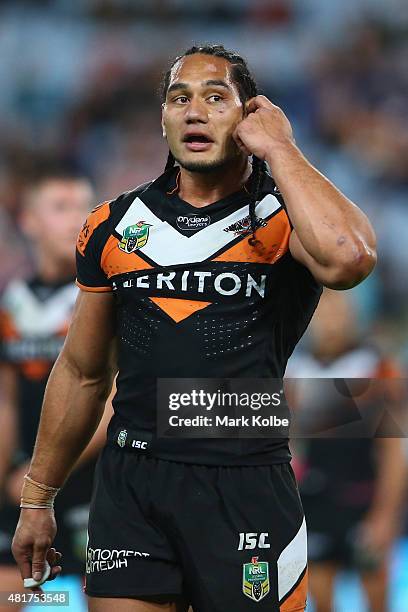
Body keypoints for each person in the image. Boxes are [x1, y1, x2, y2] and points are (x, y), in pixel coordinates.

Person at [11, 45, 377, 612]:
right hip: (133, 483)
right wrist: (37, 499)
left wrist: (281, 147)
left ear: (248, 116)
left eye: (215, 97)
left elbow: (349, 260)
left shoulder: (284, 219)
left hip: (247, 483)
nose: (194, 111)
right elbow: (83, 372)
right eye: (179, 98)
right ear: (162, 119)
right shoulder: (113, 225)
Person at [0, 166, 113, 611]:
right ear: (28, 220)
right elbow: (5, 399)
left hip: (93, 487)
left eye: (84, 208)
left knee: (104, 598)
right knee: (13, 595)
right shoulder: (13, 303)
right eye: (60, 208)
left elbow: (115, 401)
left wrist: (38, 476)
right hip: (22, 489)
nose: (76, 220)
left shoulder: (109, 297)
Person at [286, 290, 407, 612]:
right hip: (317, 500)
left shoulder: (378, 369)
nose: (331, 321)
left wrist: (385, 515)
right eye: (323, 312)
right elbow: (288, 441)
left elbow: (394, 450)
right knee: (321, 598)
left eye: (338, 311)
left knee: (376, 598)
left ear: (354, 315)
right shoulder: (296, 370)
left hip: (363, 499)